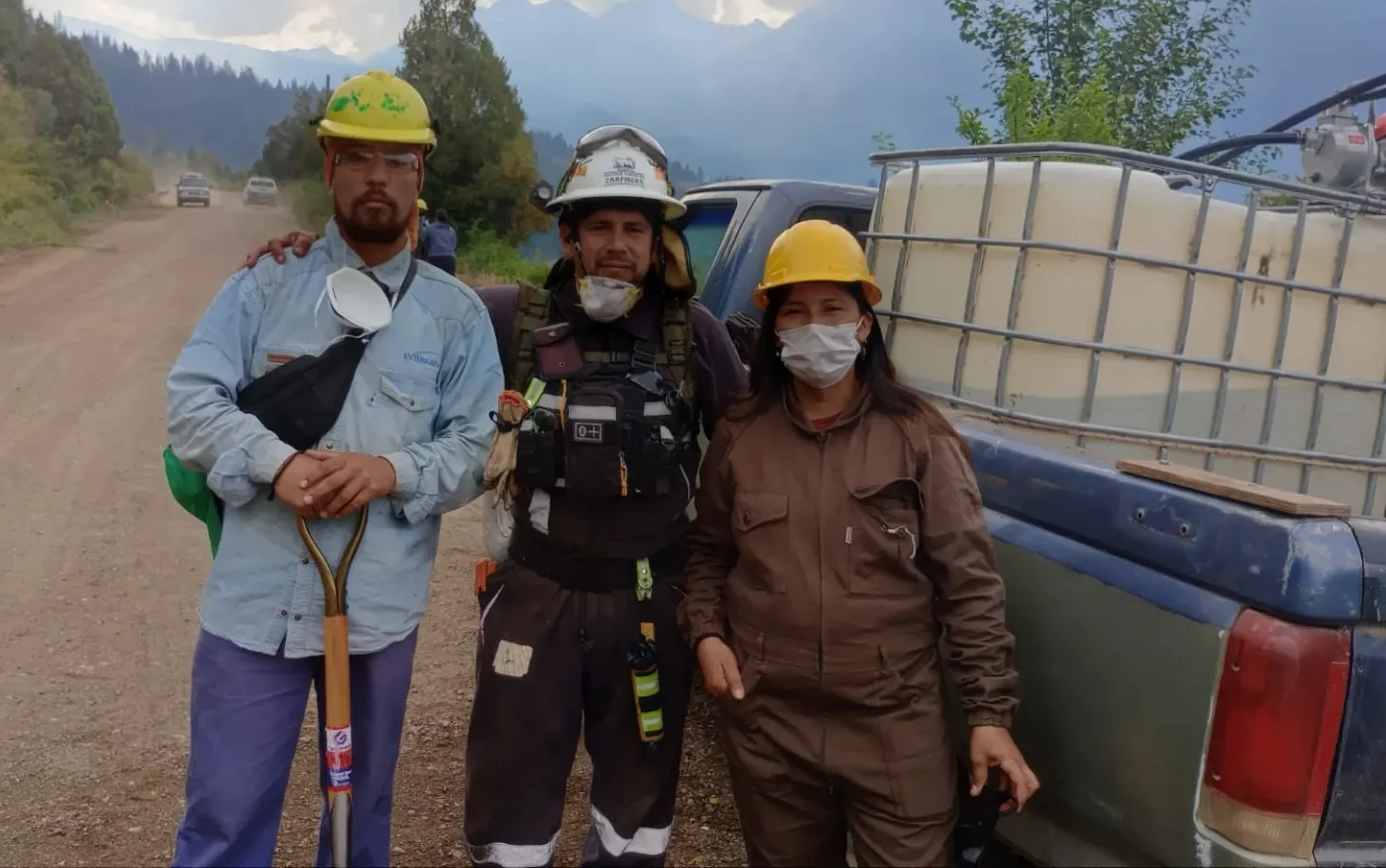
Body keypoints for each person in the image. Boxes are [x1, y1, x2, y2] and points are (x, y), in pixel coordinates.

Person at [239, 125, 748, 868]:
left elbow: (747, 466)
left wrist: (718, 610)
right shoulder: (512, 318)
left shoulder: (693, 337)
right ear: (569, 236)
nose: (615, 244)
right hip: (535, 596)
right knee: (511, 796)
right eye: (598, 226)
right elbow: (395, 304)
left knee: (639, 805)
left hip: (650, 602)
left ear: (656, 240)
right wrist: (314, 259)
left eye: (633, 228)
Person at [165, 69, 502, 868]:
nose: (377, 177)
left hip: (378, 614)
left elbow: (474, 448)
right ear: (328, 168)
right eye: (358, 157)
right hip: (254, 612)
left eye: (397, 161)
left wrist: (390, 472)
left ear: (421, 175)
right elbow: (190, 403)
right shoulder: (264, 284)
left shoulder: (456, 319)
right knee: (223, 817)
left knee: (359, 818)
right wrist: (274, 464)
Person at [683, 218, 1038, 868]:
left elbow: (970, 585)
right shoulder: (742, 435)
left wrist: (989, 714)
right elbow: (707, 551)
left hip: (892, 724)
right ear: (775, 332)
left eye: (833, 309)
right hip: (770, 722)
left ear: (863, 324)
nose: (815, 326)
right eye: (796, 312)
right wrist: (706, 634)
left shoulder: (920, 437)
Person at [422, 208, 458, 276]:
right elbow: (454, 246)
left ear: (436, 217)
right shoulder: (451, 230)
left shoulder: (430, 228)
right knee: (450, 281)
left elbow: (425, 241)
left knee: (435, 280)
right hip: (449, 258)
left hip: (435, 257)